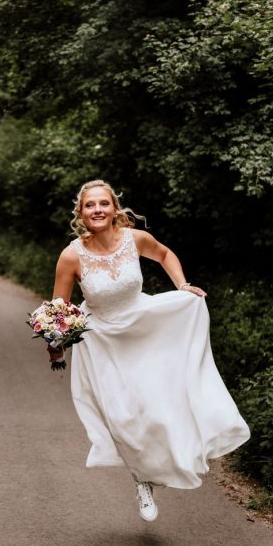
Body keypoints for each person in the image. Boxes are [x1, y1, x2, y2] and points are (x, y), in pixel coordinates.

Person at [50, 179, 249, 521]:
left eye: (103, 203)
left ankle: (170, 457)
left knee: (155, 410)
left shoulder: (135, 239)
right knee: (122, 416)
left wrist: (182, 285)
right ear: (80, 213)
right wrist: (55, 345)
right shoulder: (71, 255)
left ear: (114, 209)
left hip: (143, 328)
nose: (97, 210)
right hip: (102, 341)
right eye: (90, 205)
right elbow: (59, 306)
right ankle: (141, 479)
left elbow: (164, 254)